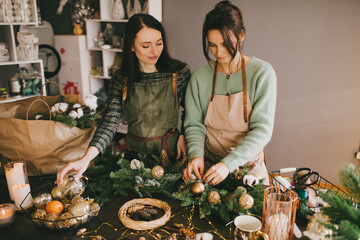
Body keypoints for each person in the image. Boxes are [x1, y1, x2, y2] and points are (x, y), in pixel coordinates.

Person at [57, 13, 191, 185]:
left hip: (172, 155)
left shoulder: (178, 73)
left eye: (159, 43)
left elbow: (192, 112)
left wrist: (185, 135)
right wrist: (85, 159)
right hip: (135, 160)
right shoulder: (121, 79)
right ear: (132, 46)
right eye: (146, 46)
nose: (155, 51)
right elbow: (110, 122)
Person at [183, 1, 276, 186]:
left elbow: (262, 130)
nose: (219, 52)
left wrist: (228, 164)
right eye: (212, 45)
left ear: (241, 35)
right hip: (208, 166)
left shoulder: (262, 73)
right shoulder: (200, 77)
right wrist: (196, 156)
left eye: (226, 44)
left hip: (248, 168)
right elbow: (194, 125)